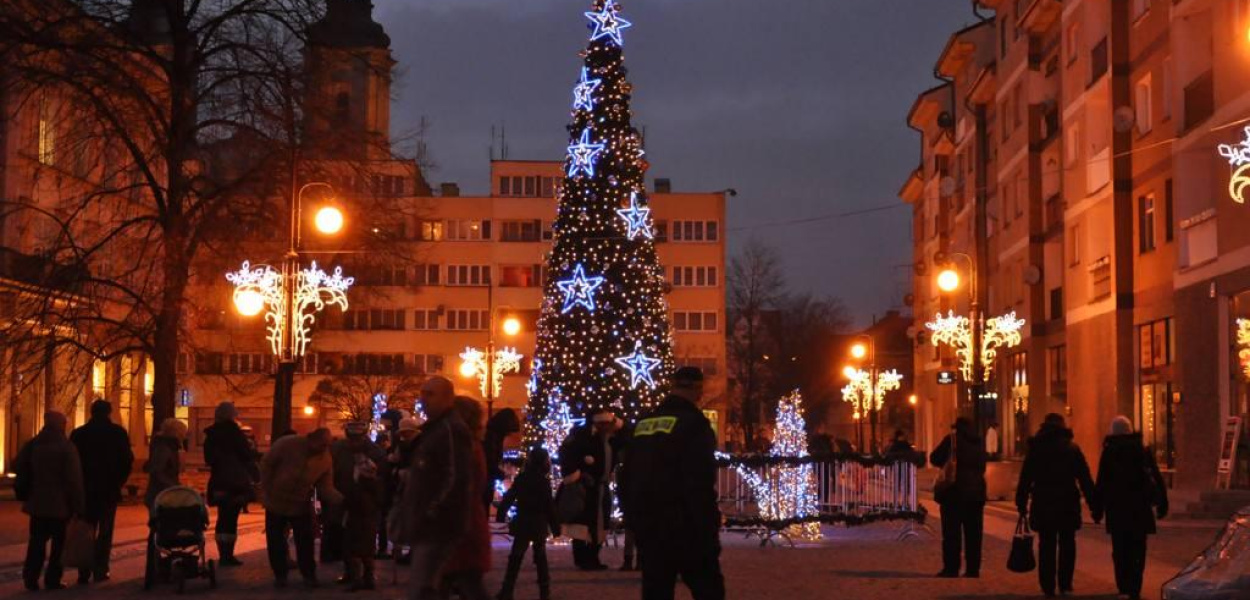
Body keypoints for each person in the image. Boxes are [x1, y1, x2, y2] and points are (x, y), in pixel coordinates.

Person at [620, 367, 724, 600]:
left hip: (649, 524)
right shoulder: (695, 424)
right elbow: (700, 480)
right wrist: (707, 525)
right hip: (686, 524)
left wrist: (634, 518)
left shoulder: (644, 423)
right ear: (698, 389)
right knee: (708, 588)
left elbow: (626, 474)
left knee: (656, 590)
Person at [400, 376, 474, 600]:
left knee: (423, 586)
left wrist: (432, 510)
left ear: (448, 398)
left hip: (439, 525)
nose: (423, 399)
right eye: (422, 394)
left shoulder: (451, 429)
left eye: (430, 394)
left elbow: (456, 476)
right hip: (430, 523)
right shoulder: (433, 429)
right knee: (433, 585)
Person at [1016, 413, 1098, 598]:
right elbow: (1085, 478)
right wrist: (1094, 505)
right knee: (1068, 543)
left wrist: (1021, 502)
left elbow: (1025, 478)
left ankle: (1047, 585)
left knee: (1046, 544)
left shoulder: (1036, 449)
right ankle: (1065, 583)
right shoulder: (1072, 448)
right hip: (1067, 503)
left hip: (1043, 502)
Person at [1093, 416, 1169, 600]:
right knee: (1138, 549)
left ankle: (1124, 586)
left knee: (1120, 550)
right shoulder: (1142, 449)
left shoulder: (1109, 452)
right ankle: (1135, 587)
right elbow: (1156, 477)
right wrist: (1162, 502)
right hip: (1140, 508)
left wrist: (1097, 509)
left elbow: (1102, 482)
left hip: (1117, 509)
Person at [261, 427, 342, 588]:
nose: (323, 449)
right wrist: (266, 488)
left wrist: (341, 500)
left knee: (305, 541)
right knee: (276, 541)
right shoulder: (287, 444)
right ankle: (280, 574)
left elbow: (325, 487)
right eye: (321, 445)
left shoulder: (325, 460)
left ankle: (309, 574)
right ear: (311, 438)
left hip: (299, 503)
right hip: (275, 501)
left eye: (327, 445)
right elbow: (267, 464)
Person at [14, 411, 85, 591]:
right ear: (61, 425)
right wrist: (78, 505)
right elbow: (74, 479)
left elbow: (17, 466)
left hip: (37, 503)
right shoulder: (66, 447)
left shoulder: (33, 444)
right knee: (58, 545)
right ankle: (52, 579)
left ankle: (30, 577)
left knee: (36, 542)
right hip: (60, 505)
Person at [68, 399, 134, 584]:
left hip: (86, 490)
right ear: (109, 412)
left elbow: (72, 463)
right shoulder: (117, 433)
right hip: (108, 490)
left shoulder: (79, 434)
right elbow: (127, 461)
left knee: (85, 530)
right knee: (105, 532)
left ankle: (83, 570)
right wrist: (118, 482)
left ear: (91, 412)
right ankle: (100, 569)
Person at [441, 396, 492, 600]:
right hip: (460, 525)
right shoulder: (467, 445)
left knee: (468, 583)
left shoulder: (465, 447)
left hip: (460, 526)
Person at [558, 408, 619, 570]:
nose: (609, 427)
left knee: (600, 523)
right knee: (582, 524)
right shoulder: (582, 438)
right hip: (586, 488)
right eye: (605, 424)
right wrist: (580, 474)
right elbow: (567, 456)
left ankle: (593, 557)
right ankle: (582, 558)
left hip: (601, 487)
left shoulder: (610, 440)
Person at [496, 447, 559, 600]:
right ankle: (544, 591)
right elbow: (549, 506)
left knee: (515, 557)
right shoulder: (543, 482)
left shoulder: (522, 478)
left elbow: (510, 496)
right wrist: (555, 526)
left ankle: (507, 589)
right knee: (540, 557)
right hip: (538, 523)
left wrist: (501, 512)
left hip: (524, 521)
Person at [929, 417, 988, 578]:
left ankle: (951, 568)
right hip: (976, 494)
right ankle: (973, 569)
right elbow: (982, 466)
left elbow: (934, 458)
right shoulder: (979, 442)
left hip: (953, 493)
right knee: (974, 534)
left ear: (957, 428)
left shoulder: (951, 440)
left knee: (952, 534)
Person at [202, 401, 259, 566]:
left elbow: (209, 459)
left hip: (218, 480)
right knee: (232, 518)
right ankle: (228, 554)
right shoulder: (235, 433)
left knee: (222, 518)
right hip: (236, 482)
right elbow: (247, 456)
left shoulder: (211, 435)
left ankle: (223, 553)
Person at [329, 421, 386, 574]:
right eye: (352, 438)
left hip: (367, 500)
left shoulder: (375, 452)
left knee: (366, 537)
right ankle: (351, 571)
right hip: (344, 497)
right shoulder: (338, 449)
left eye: (357, 438)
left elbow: (382, 476)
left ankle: (367, 573)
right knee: (346, 537)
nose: (354, 442)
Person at [145, 418, 189, 508]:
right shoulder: (164, 448)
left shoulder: (168, 447)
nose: (184, 437)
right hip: (161, 495)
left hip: (163, 494)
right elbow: (157, 471)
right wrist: (173, 486)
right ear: (177, 433)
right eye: (183, 433)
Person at [484, 408, 521, 507]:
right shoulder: (492, 438)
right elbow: (490, 460)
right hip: (485, 480)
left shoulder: (494, 436)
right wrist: (501, 474)